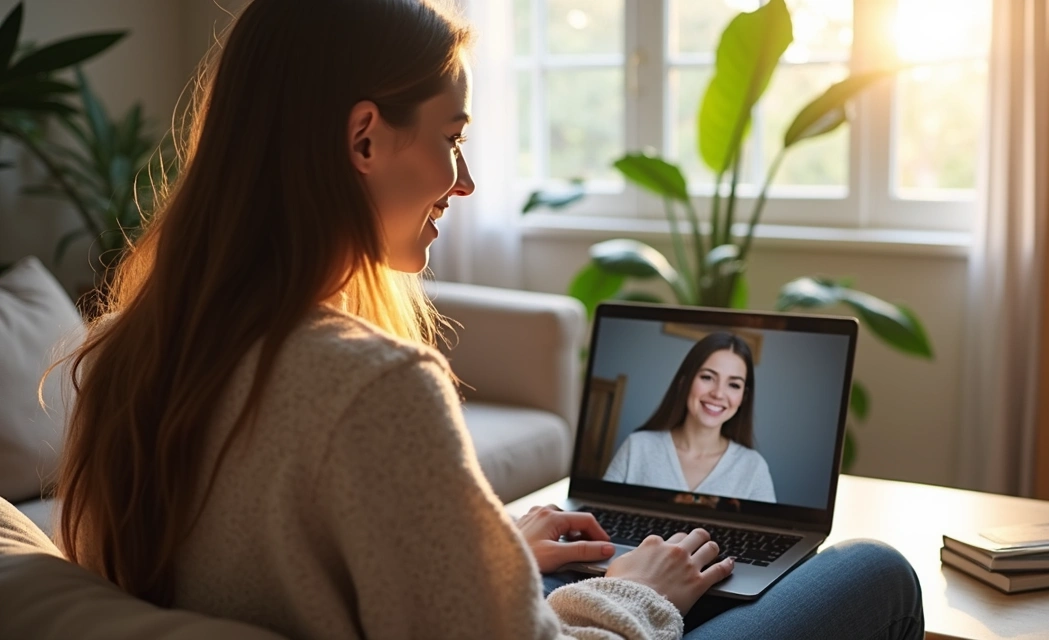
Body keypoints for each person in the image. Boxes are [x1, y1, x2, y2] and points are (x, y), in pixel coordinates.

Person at [49, 0, 924, 638]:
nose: (463, 180)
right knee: (875, 572)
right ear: (364, 139)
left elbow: (283, 570)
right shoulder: (372, 386)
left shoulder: (128, 357)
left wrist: (487, 552)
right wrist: (635, 588)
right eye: (451, 135)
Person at [603, 332, 776, 502]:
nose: (718, 393)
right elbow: (600, 516)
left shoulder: (754, 468)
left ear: (743, 397)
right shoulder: (637, 447)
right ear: (683, 382)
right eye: (707, 377)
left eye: (733, 385)